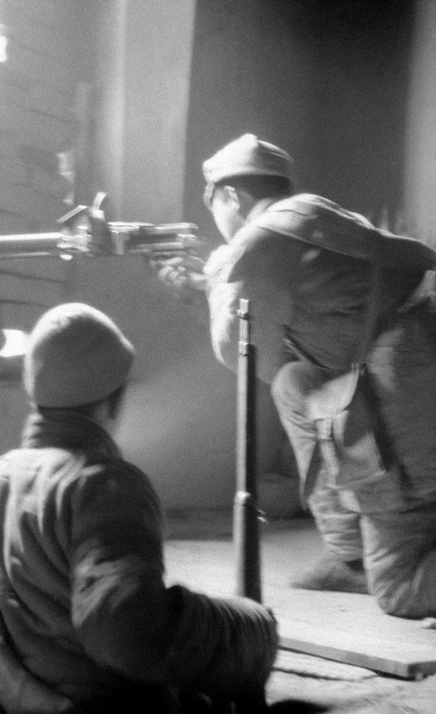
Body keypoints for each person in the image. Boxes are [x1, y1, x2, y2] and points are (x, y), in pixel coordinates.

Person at [0, 301, 278, 714]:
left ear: (34, 395)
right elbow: (129, 633)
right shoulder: (103, 485)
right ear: (115, 399)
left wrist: (6, 677)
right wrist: (251, 631)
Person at [157, 133, 436, 620]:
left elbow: (245, 355)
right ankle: (350, 552)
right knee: (295, 384)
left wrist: (212, 286)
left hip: (405, 388)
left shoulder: (257, 241)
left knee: (398, 587)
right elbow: (291, 352)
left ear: (231, 195)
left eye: (214, 205)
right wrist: (216, 282)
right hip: (415, 353)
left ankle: (379, 559)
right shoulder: (315, 215)